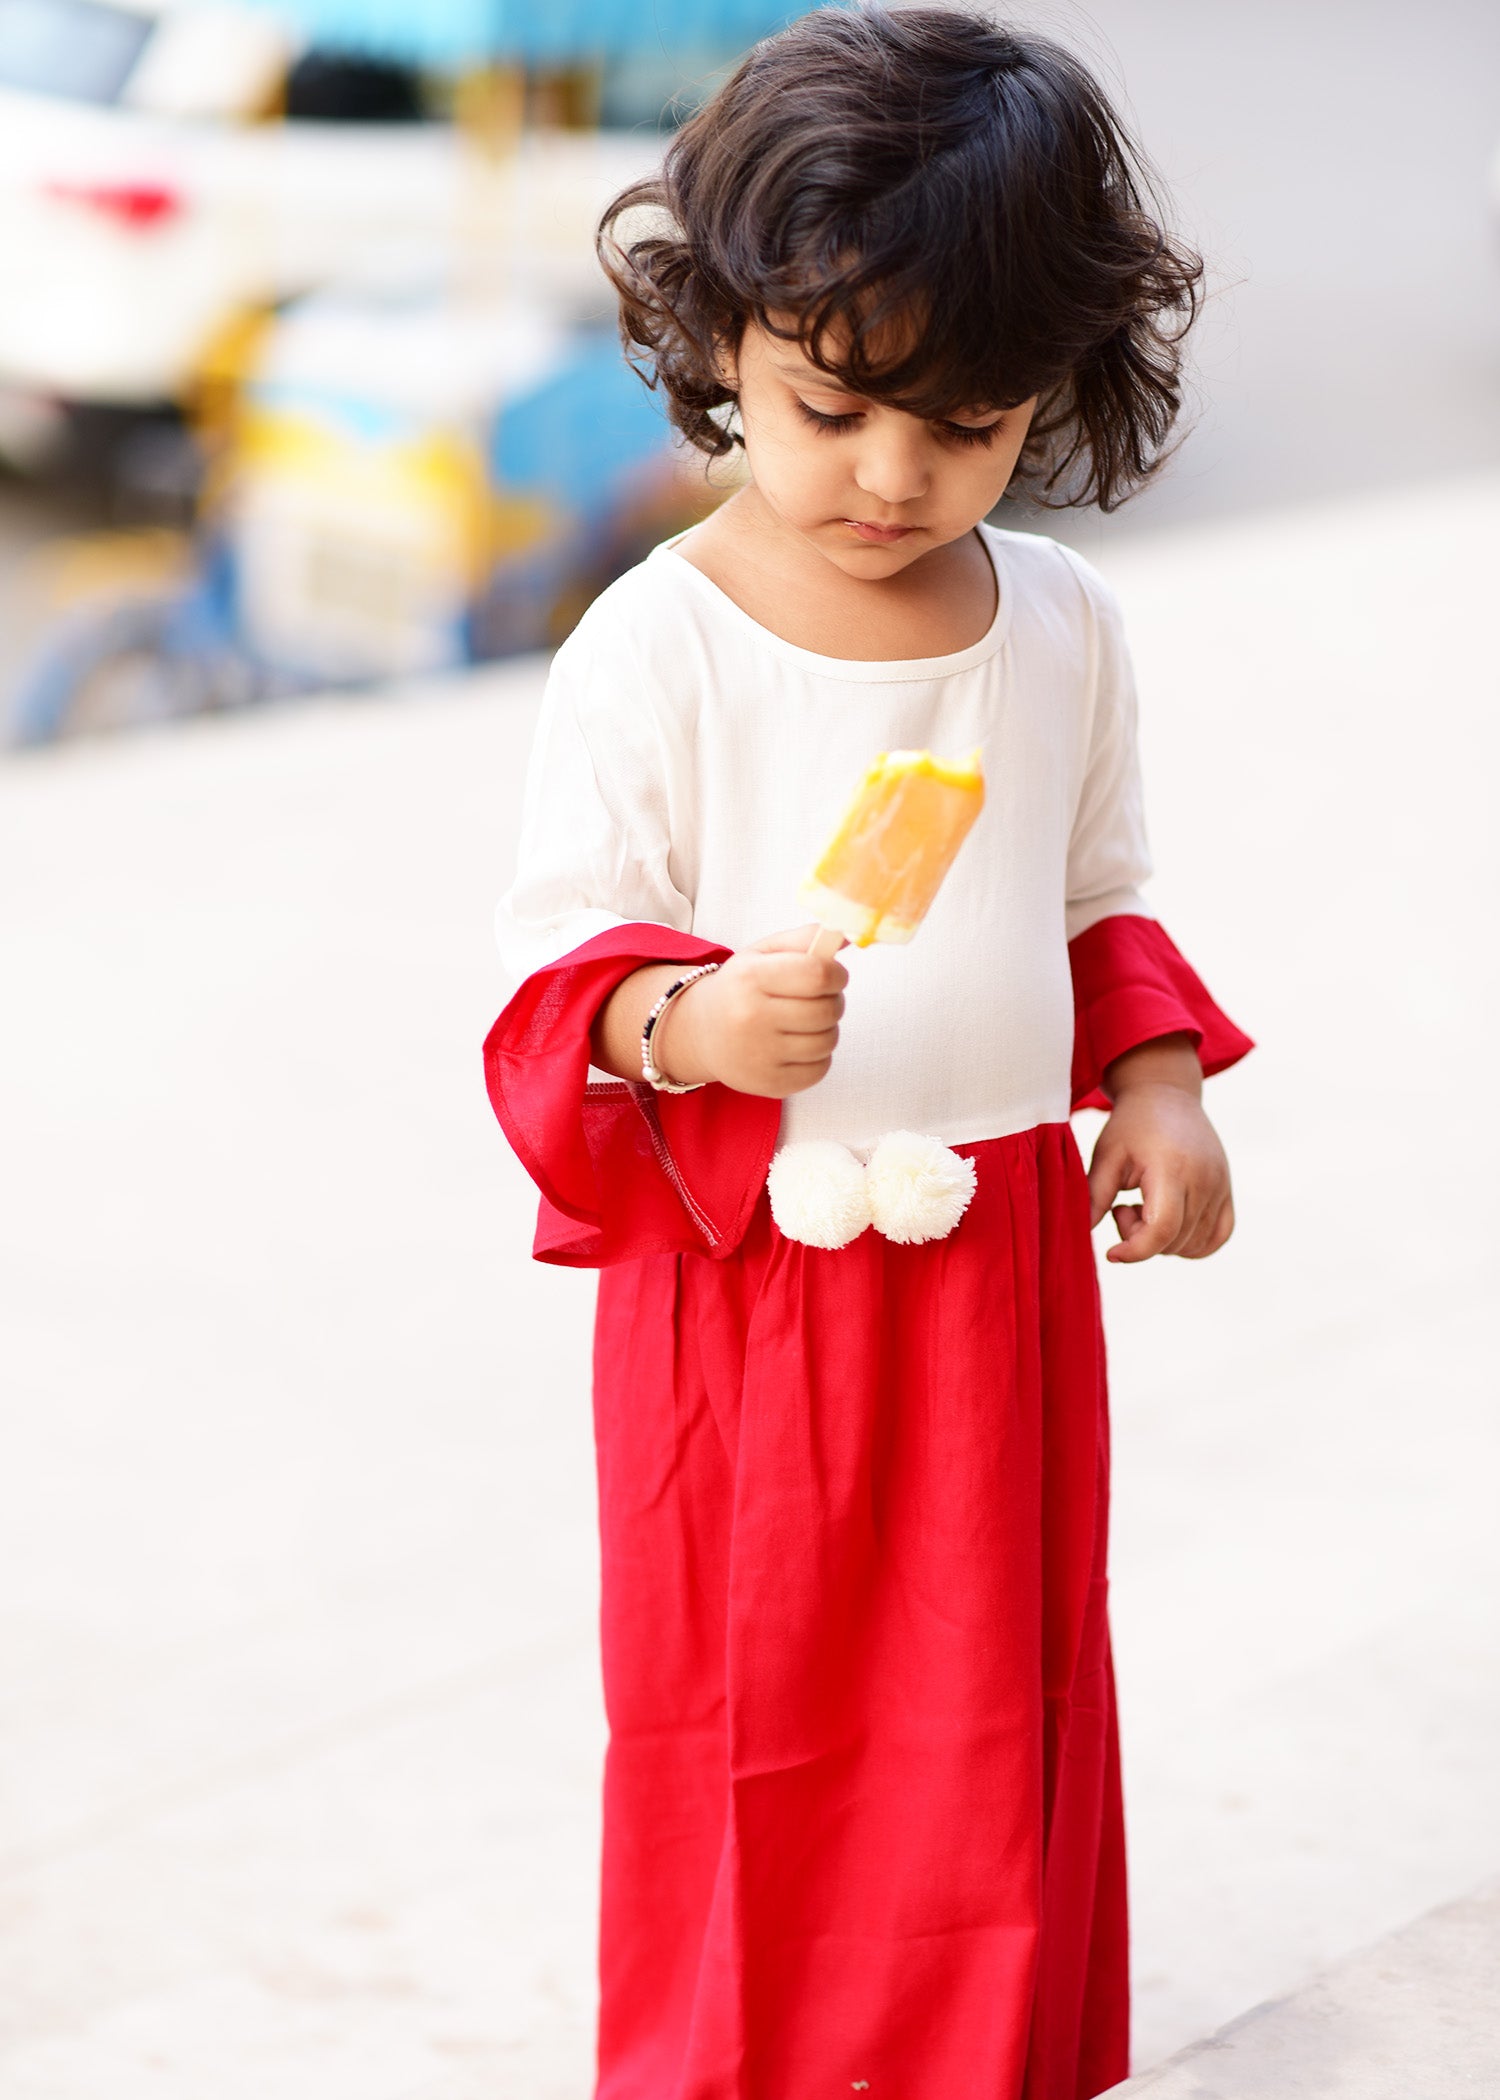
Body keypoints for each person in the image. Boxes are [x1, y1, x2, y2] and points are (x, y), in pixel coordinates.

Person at [484, 9, 1253, 2096]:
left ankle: (981, 2051)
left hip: (993, 1259)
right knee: (748, 1706)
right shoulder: (660, 645)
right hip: (751, 1290)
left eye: (975, 422)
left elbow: (1102, 898)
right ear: (722, 340)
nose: (899, 477)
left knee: (995, 1697)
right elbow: (560, 976)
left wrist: (1159, 1085)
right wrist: (700, 1016)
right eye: (834, 408)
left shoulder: (1062, 629)